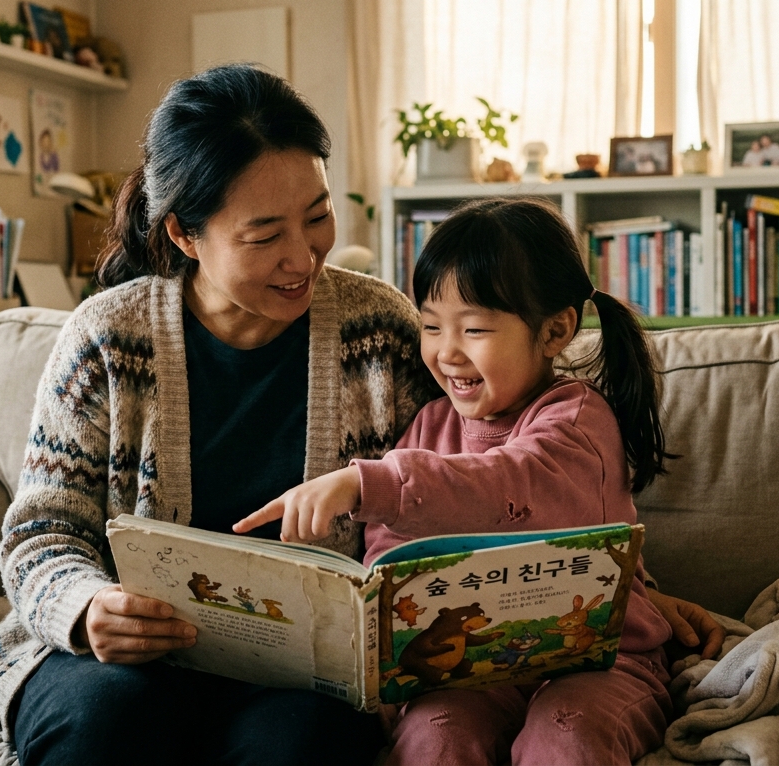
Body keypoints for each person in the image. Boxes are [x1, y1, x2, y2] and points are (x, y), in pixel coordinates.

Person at [0, 64, 725, 766]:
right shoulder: (104, 339)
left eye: (316, 216)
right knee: (106, 727)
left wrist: (627, 587)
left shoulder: (381, 332)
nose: (306, 255)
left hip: (294, 671)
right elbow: (41, 530)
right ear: (185, 235)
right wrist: (86, 607)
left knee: (306, 747)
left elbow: (494, 476)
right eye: (265, 236)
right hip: (121, 656)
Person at [236, 197, 698, 765]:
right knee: (438, 735)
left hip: (600, 662)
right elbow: (390, 554)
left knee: (565, 735)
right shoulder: (429, 425)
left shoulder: (575, 418)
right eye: (431, 326)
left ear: (556, 330)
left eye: (475, 328)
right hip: (468, 667)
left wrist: (369, 484)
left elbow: (512, 484)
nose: (446, 351)